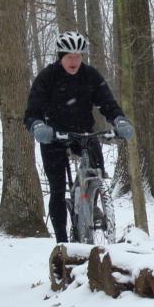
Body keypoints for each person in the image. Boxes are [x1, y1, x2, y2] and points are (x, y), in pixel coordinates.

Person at [25, 31, 134, 243]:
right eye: (69, 57)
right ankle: (62, 242)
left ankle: (90, 205)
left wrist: (119, 120)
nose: (74, 61)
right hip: (54, 135)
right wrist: (38, 126)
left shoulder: (90, 75)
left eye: (78, 56)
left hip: (83, 132)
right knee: (57, 189)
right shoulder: (48, 77)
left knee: (97, 171)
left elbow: (107, 103)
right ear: (61, 57)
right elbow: (32, 111)